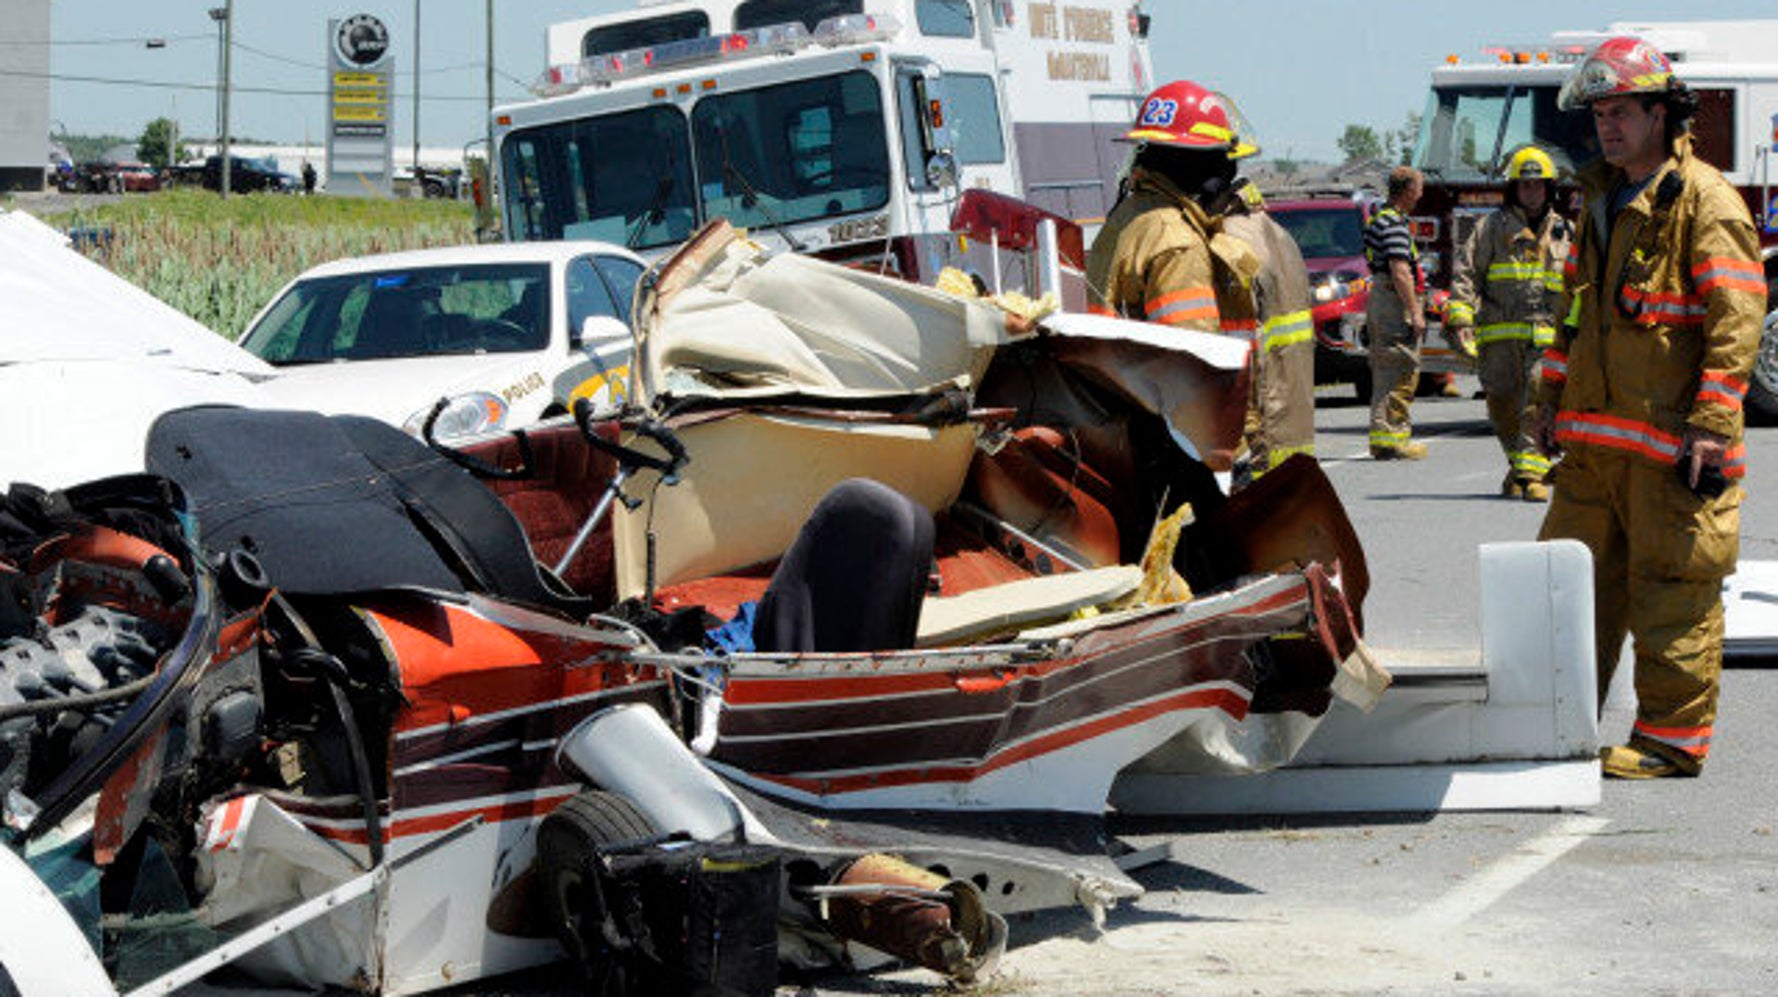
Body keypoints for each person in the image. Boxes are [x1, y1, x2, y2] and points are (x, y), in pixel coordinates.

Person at [1535, 36, 1764, 779]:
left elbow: (1736, 321)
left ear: (1662, 114)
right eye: (1599, 113)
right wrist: (1549, 397)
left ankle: (1671, 740)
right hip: (1593, 447)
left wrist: (1712, 424)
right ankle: (1552, 729)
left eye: (1622, 111)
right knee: (1565, 588)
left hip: (1671, 449)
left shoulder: (1706, 200)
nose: (1607, 126)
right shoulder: (1601, 198)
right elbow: (1576, 314)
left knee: (1672, 589)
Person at [1086, 80, 1260, 338]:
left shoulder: (1126, 217)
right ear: (1200, 164)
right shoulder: (1178, 243)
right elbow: (1193, 350)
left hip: (1113, 362)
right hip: (1150, 366)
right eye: (1221, 158)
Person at [1446, 146, 1572, 501]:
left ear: (1549, 188)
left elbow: (1580, 285)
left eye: (1538, 184)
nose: (1532, 191)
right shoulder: (1489, 229)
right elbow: (1466, 274)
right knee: (1503, 407)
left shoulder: (1566, 232)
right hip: (1498, 337)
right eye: (1524, 184)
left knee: (1537, 398)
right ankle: (1518, 469)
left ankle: (1532, 476)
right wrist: (1461, 318)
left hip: (1546, 337)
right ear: (1513, 188)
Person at [1222, 181, 1315, 478]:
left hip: (1258, 375)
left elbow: (1237, 316)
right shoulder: (1280, 234)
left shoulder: (1228, 237)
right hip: (1294, 375)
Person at [1363, 166, 1429, 459]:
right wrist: (1415, 312)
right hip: (1394, 303)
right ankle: (1395, 438)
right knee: (1402, 370)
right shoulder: (1393, 224)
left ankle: (1383, 438)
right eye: (1419, 187)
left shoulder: (1383, 218)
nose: (1421, 194)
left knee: (1387, 370)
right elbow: (1400, 271)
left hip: (1383, 300)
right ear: (1408, 190)